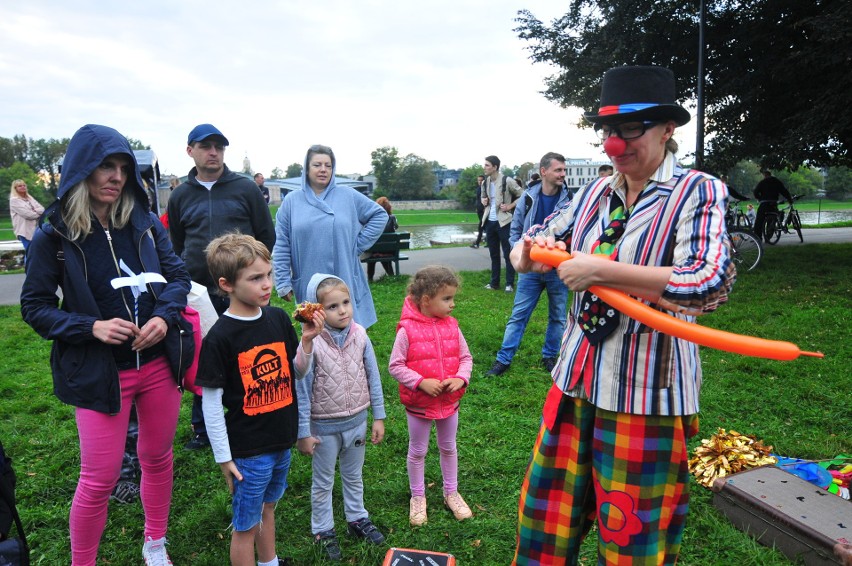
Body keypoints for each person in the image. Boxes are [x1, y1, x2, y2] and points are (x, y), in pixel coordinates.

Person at [510, 66, 735, 564]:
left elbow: (707, 281)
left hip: (645, 396)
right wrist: (531, 251)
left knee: (633, 541)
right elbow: (531, 245)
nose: (615, 144)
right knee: (545, 526)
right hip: (573, 383)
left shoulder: (697, 191)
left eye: (629, 129)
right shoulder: (592, 193)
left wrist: (603, 272)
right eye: (609, 131)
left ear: (666, 130)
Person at [20, 124, 192, 566]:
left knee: (157, 457)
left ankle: (155, 543)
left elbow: (177, 279)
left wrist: (161, 316)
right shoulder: (53, 235)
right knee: (99, 478)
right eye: (105, 167)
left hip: (157, 363)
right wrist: (88, 327)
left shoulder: (145, 223)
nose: (115, 177)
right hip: (100, 372)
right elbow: (35, 307)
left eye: (122, 168)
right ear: (81, 170)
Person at [197, 233, 322, 566]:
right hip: (248, 451)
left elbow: (296, 372)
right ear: (226, 284)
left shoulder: (279, 319)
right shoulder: (220, 337)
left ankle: (269, 562)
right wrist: (224, 457)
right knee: (245, 526)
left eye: (268, 274)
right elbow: (210, 403)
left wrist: (307, 342)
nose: (267, 284)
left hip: (281, 440)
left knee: (269, 509)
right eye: (255, 278)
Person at [167, 123, 276, 451]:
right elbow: (176, 245)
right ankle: (204, 428)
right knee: (205, 358)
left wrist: (254, 278)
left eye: (219, 146)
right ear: (191, 151)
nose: (213, 152)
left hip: (243, 291)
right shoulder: (180, 196)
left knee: (252, 353)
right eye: (205, 146)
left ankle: (258, 415)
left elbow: (265, 236)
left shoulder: (245, 189)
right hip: (199, 292)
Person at [296, 273, 387, 561]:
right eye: (333, 306)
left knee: (353, 475)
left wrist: (378, 416)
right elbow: (302, 388)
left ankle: (357, 518)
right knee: (323, 482)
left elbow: (373, 376)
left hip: (357, 423)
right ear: (317, 311)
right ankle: (323, 529)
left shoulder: (360, 334)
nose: (343, 310)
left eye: (346, 302)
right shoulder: (311, 344)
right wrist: (303, 431)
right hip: (323, 427)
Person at [388, 266, 474, 527]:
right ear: (426, 301)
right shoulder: (407, 331)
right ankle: (418, 497)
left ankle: (451, 492)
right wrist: (420, 382)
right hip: (419, 405)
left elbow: (466, 358)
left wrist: (460, 378)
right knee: (418, 451)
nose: (453, 304)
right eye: (446, 299)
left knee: (449, 447)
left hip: (450, 402)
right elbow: (395, 365)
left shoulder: (453, 327)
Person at [272, 144, 387, 329]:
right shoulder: (291, 202)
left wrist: (357, 245)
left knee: (348, 332)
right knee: (316, 333)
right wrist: (283, 281)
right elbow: (281, 244)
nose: (323, 170)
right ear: (307, 169)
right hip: (309, 277)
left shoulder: (348, 195)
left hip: (344, 274)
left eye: (328, 165)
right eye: (317, 165)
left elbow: (379, 215)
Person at [484, 152, 571, 377]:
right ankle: (503, 360)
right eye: (558, 170)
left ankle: (550, 357)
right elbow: (516, 228)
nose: (563, 174)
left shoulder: (571, 199)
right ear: (544, 171)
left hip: (557, 269)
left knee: (558, 316)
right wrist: (519, 251)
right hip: (530, 269)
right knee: (519, 315)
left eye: (564, 170)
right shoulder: (528, 197)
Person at [480, 156, 522, 292]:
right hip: (489, 221)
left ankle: (509, 283)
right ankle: (494, 283)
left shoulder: (507, 180)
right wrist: (484, 201)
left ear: (495, 167)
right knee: (494, 254)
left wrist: (510, 206)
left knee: (508, 253)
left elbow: (523, 194)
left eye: (487, 165)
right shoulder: (485, 182)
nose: (484, 167)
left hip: (504, 222)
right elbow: (483, 197)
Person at [9, 179, 45, 260]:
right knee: (30, 252)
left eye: (24, 185)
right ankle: (29, 270)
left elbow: (42, 209)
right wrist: (37, 212)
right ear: (15, 188)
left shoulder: (29, 198)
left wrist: (35, 211)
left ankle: (35, 270)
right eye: (19, 186)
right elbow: (28, 215)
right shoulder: (14, 200)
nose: (22, 187)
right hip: (24, 231)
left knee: (37, 251)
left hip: (36, 229)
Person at [753, 169, 793, 242]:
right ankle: (768, 237)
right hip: (773, 203)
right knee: (772, 220)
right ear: (770, 174)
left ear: (764, 175)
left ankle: (758, 237)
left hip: (764, 203)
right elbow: (784, 191)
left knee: (759, 221)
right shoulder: (777, 181)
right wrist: (789, 200)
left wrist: (759, 198)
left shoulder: (762, 182)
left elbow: (755, 192)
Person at [365, 196, 399, 282]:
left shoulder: (372, 219)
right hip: (389, 250)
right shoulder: (393, 218)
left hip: (375, 250)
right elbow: (396, 228)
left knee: (373, 254)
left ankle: (370, 278)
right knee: (384, 249)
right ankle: (391, 275)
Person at [470, 175, 486, 248]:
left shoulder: (485, 189)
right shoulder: (479, 188)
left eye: (481, 180)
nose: (479, 182)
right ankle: (486, 241)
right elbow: (478, 199)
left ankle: (477, 243)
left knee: (481, 227)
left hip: (483, 210)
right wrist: (477, 207)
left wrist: (484, 208)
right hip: (479, 210)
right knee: (484, 227)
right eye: (478, 180)